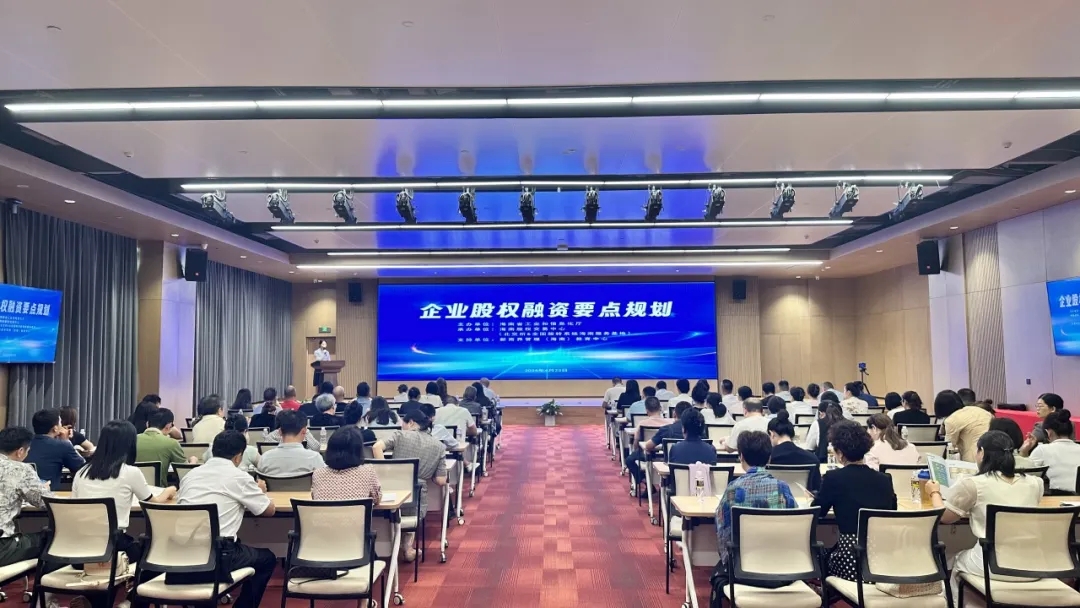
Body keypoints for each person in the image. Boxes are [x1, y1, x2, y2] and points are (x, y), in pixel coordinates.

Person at [926, 430, 1044, 600]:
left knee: (956, 560)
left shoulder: (973, 484)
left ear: (981, 452)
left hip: (993, 565)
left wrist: (934, 492)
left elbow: (945, 517)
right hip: (1035, 565)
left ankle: (956, 603)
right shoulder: (1036, 483)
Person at [72, 421, 176, 607]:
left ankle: (92, 601)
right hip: (113, 546)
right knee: (158, 557)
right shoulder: (130, 472)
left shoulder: (81, 473)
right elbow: (154, 503)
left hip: (80, 550)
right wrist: (169, 490)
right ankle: (130, 602)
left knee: (115, 563)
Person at [175, 431, 277, 608]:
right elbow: (268, 510)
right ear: (238, 457)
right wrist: (259, 491)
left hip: (180, 554)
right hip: (217, 557)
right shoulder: (239, 477)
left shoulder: (190, 475)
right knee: (267, 559)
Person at [813, 420, 896, 580]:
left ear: (840, 453)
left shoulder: (833, 478)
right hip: (882, 561)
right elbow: (892, 511)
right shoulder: (885, 479)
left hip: (849, 560)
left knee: (817, 553)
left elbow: (818, 512)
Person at [713, 431, 797, 587]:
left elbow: (722, 530)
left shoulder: (733, 489)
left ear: (741, 457)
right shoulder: (782, 488)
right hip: (781, 569)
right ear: (769, 458)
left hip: (742, 569)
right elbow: (795, 525)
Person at [372, 410, 448, 561]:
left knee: (395, 511)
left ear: (411, 422)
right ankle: (407, 548)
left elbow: (376, 447)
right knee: (413, 510)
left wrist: (385, 472)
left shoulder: (400, 435)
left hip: (392, 492)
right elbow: (441, 481)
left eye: (403, 424)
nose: (402, 427)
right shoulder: (439, 446)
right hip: (416, 497)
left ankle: (388, 546)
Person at [0, 426, 50, 567]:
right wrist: (43, 489)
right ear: (20, 451)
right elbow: (46, 502)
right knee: (52, 537)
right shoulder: (20, 469)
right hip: (3, 548)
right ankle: (45, 581)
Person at [311, 426, 382, 503]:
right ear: (358, 450)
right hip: (356, 511)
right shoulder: (368, 472)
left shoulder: (318, 474)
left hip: (324, 511)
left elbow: (314, 497)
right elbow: (377, 498)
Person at [25, 408, 85, 490]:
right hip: (48, 494)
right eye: (60, 422)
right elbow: (82, 468)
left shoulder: (24, 443)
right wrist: (66, 441)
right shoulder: (62, 445)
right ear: (55, 428)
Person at [257, 410, 325, 476]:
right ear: (304, 431)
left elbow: (259, 482)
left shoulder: (264, 458)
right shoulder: (314, 458)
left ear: (280, 431)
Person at [137, 408, 194, 485]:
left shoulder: (132, 440)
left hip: (132, 490)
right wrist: (193, 461)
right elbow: (184, 473)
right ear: (168, 426)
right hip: (159, 490)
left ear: (147, 424)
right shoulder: (171, 443)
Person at [767, 410, 822, 491]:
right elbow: (817, 488)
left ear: (772, 434)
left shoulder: (766, 458)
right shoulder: (812, 458)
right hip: (803, 498)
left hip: (775, 497)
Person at [1027, 409, 1080, 493]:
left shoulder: (1043, 449)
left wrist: (1023, 452)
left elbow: (1026, 476)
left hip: (1058, 498)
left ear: (1048, 432)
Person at [626, 397, 669, 488]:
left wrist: (636, 450)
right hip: (665, 455)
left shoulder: (642, 423)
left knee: (629, 460)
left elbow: (636, 442)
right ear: (660, 408)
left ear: (646, 410)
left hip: (646, 454)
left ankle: (645, 480)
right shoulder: (668, 423)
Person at [943, 390, 993, 463]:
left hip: (972, 462)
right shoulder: (986, 413)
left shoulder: (954, 418)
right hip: (993, 459)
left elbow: (950, 446)